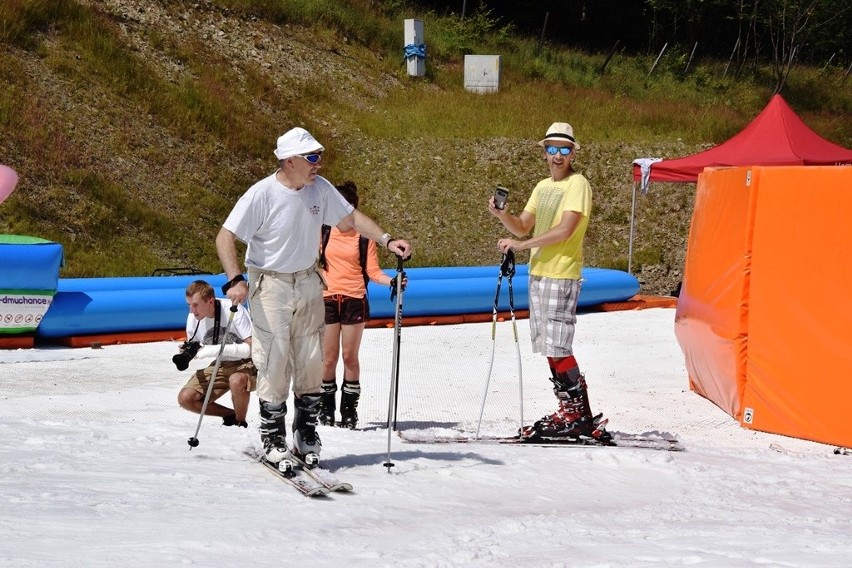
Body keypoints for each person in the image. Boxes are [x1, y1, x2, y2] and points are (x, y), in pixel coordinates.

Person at [215, 127, 412, 465]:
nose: (318, 163)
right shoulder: (260, 194)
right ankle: (272, 435)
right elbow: (225, 237)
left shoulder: (319, 189)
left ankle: (305, 431)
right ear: (288, 160)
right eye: (311, 157)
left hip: (308, 280)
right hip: (271, 284)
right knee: (274, 358)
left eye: (319, 156)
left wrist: (386, 239)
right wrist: (234, 278)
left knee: (311, 359)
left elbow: (349, 218)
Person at [488, 122, 608, 441]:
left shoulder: (578, 184)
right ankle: (570, 410)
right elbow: (523, 226)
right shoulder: (542, 187)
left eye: (564, 150)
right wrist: (502, 216)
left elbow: (565, 230)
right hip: (539, 273)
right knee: (549, 346)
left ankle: (578, 413)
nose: (558, 156)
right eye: (552, 149)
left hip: (562, 272)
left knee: (559, 344)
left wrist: (523, 246)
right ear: (544, 152)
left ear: (572, 153)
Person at [318, 181, 406, 429]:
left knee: (349, 356)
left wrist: (393, 282)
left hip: (354, 299)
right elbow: (313, 261)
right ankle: (325, 408)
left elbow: (373, 272)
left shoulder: (364, 237)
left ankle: (349, 410)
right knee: (328, 358)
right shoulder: (323, 231)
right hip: (327, 298)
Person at [176, 280, 256, 428]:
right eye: (189, 305)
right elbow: (196, 344)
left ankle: (240, 423)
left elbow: (253, 348)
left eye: (195, 305)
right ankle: (229, 415)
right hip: (220, 363)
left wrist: (213, 350)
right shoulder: (193, 318)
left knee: (236, 380)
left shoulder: (233, 309)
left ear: (210, 301)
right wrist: (188, 352)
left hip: (247, 362)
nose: (192, 311)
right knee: (185, 398)